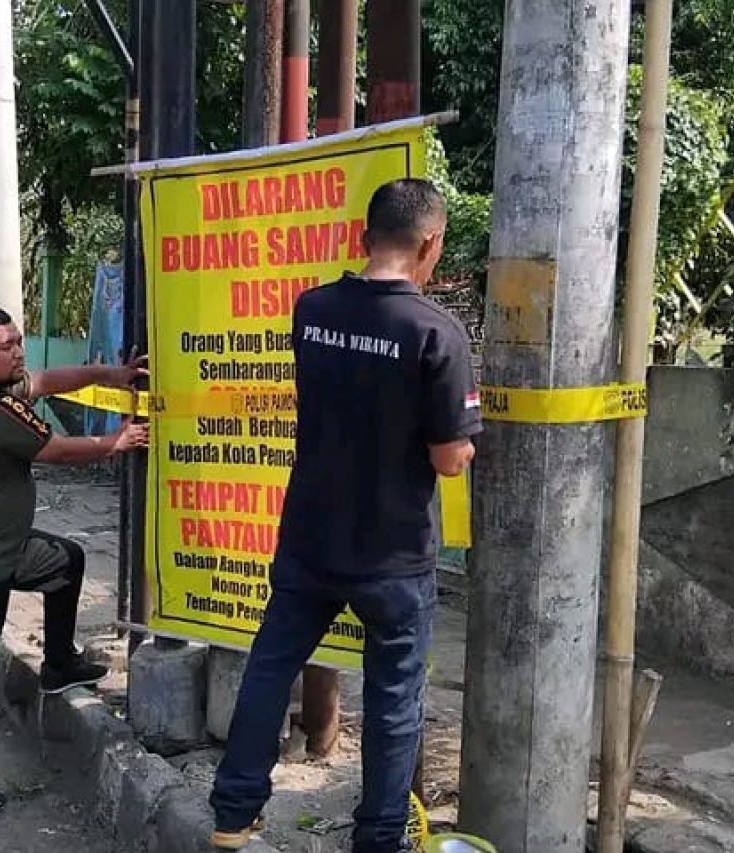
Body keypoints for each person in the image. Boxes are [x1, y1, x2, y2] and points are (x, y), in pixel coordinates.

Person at [209, 179, 481, 853]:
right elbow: (449, 459)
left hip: (310, 538)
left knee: (271, 667)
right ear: (431, 244)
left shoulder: (313, 309)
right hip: (393, 556)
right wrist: (468, 440)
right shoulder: (437, 333)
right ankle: (380, 839)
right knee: (392, 702)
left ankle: (233, 814)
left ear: (365, 238)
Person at [0, 305, 149, 813]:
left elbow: (46, 380)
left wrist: (107, 374)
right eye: (6, 347)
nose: (19, 352)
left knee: (65, 561)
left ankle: (59, 663)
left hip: (1, 546)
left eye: (18, 341)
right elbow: (59, 451)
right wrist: (115, 442)